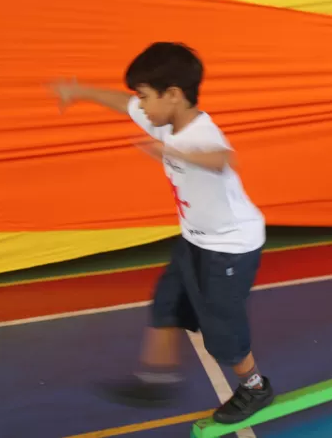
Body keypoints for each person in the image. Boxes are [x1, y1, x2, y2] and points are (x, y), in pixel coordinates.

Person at [50, 42, 275, 424]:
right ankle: (155, 380)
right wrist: (79, 91)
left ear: (173, 94)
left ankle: (254, 386)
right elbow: (124, 104)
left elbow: (224, 159)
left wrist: (177, 155)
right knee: (166, 303)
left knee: (222, 330)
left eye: (145, 96)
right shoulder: (164, 120)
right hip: (195, 238)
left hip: (230, 246)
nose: (140, 105)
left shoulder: (201, 133)